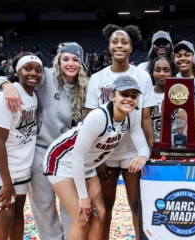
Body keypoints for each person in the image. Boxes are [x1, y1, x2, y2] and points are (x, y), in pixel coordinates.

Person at [0, 42, 89, 240]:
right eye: (66, 58)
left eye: (75, 60)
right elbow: (4, 77)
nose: (70, 63)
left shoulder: (87, 85)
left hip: (68, 156)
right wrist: (6, 85)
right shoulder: (46, 76)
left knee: (70, 204)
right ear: (58, 60)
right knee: (44, 205)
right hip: (41, 152)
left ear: (82, 63)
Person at [44, 75, 150, 239]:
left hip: (85, 165)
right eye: (124, 94)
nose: (129, 99)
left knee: (100, 214)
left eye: (133, 96)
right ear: (113, 96)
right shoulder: (98, 117)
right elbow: (77, 157)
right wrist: (83, 197)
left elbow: (142, 145)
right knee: (81, 217)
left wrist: (142, 157)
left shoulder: (131, 116)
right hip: (61, 161)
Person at [85, 24, 156, 240]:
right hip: (104, 154)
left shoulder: (142, 77)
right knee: (105, 207)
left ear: (131, 47)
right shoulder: (97, 79)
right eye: (115, 41)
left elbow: (145, 119)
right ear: (109, 45)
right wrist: (97, 160)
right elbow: (89, 123)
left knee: (137, 205)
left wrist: (148, 154)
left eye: (124, 42)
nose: (119, 45)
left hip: (132, 152)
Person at [0, 53, 42, 240]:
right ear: (17, 72)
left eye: (38, 70)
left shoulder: (33, 96)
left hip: (20, 161)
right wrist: (6, 182)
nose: (33, 73)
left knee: (18, 212)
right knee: (5, 216)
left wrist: (4, 83)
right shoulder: (4, 98)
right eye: (27, 69)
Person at [148, 57, 178, 142]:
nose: (161, 74)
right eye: (157, 70)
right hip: (152, 146)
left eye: (166, 70)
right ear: (152, 73)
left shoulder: (179, 95)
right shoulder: (146, 94)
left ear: (172, 73)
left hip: (174, 146)